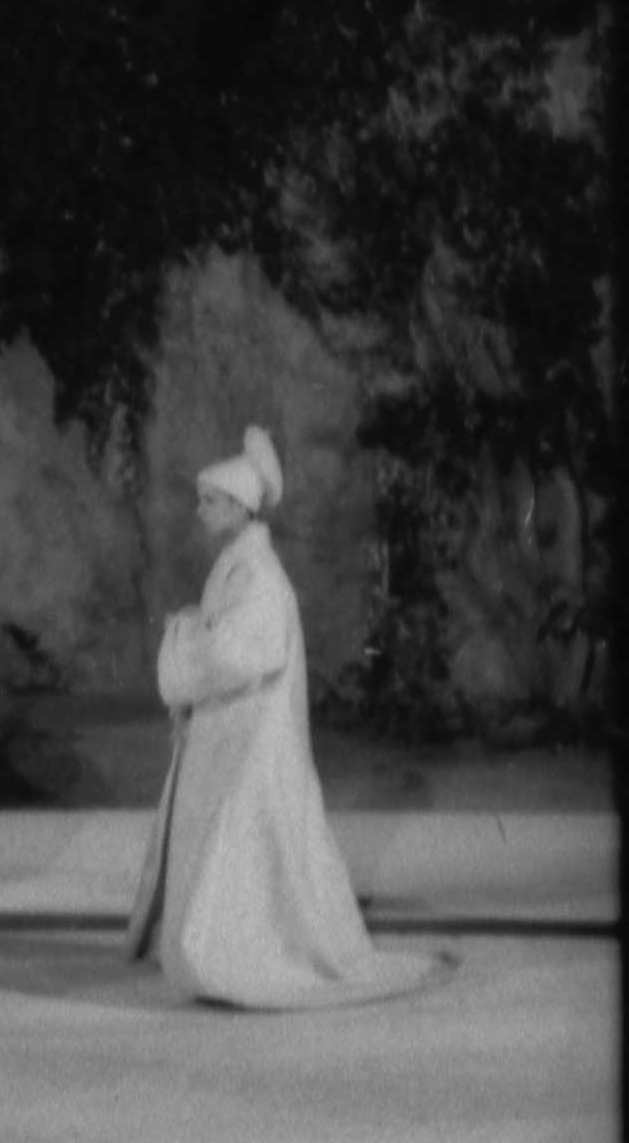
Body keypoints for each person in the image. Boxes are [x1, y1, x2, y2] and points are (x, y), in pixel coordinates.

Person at [128, 429, 448, 1009]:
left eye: (210, 501)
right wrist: (199, 628)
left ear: (238, 507)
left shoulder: (260, 577)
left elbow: (243, 651)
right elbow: (226, 638)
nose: (199, 511)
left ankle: (242, 953)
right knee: (242, 839)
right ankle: (223, 948)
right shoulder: (239, 566)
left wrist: (184, 638)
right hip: (232, 729)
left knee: (250, 836)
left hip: (253, 735)